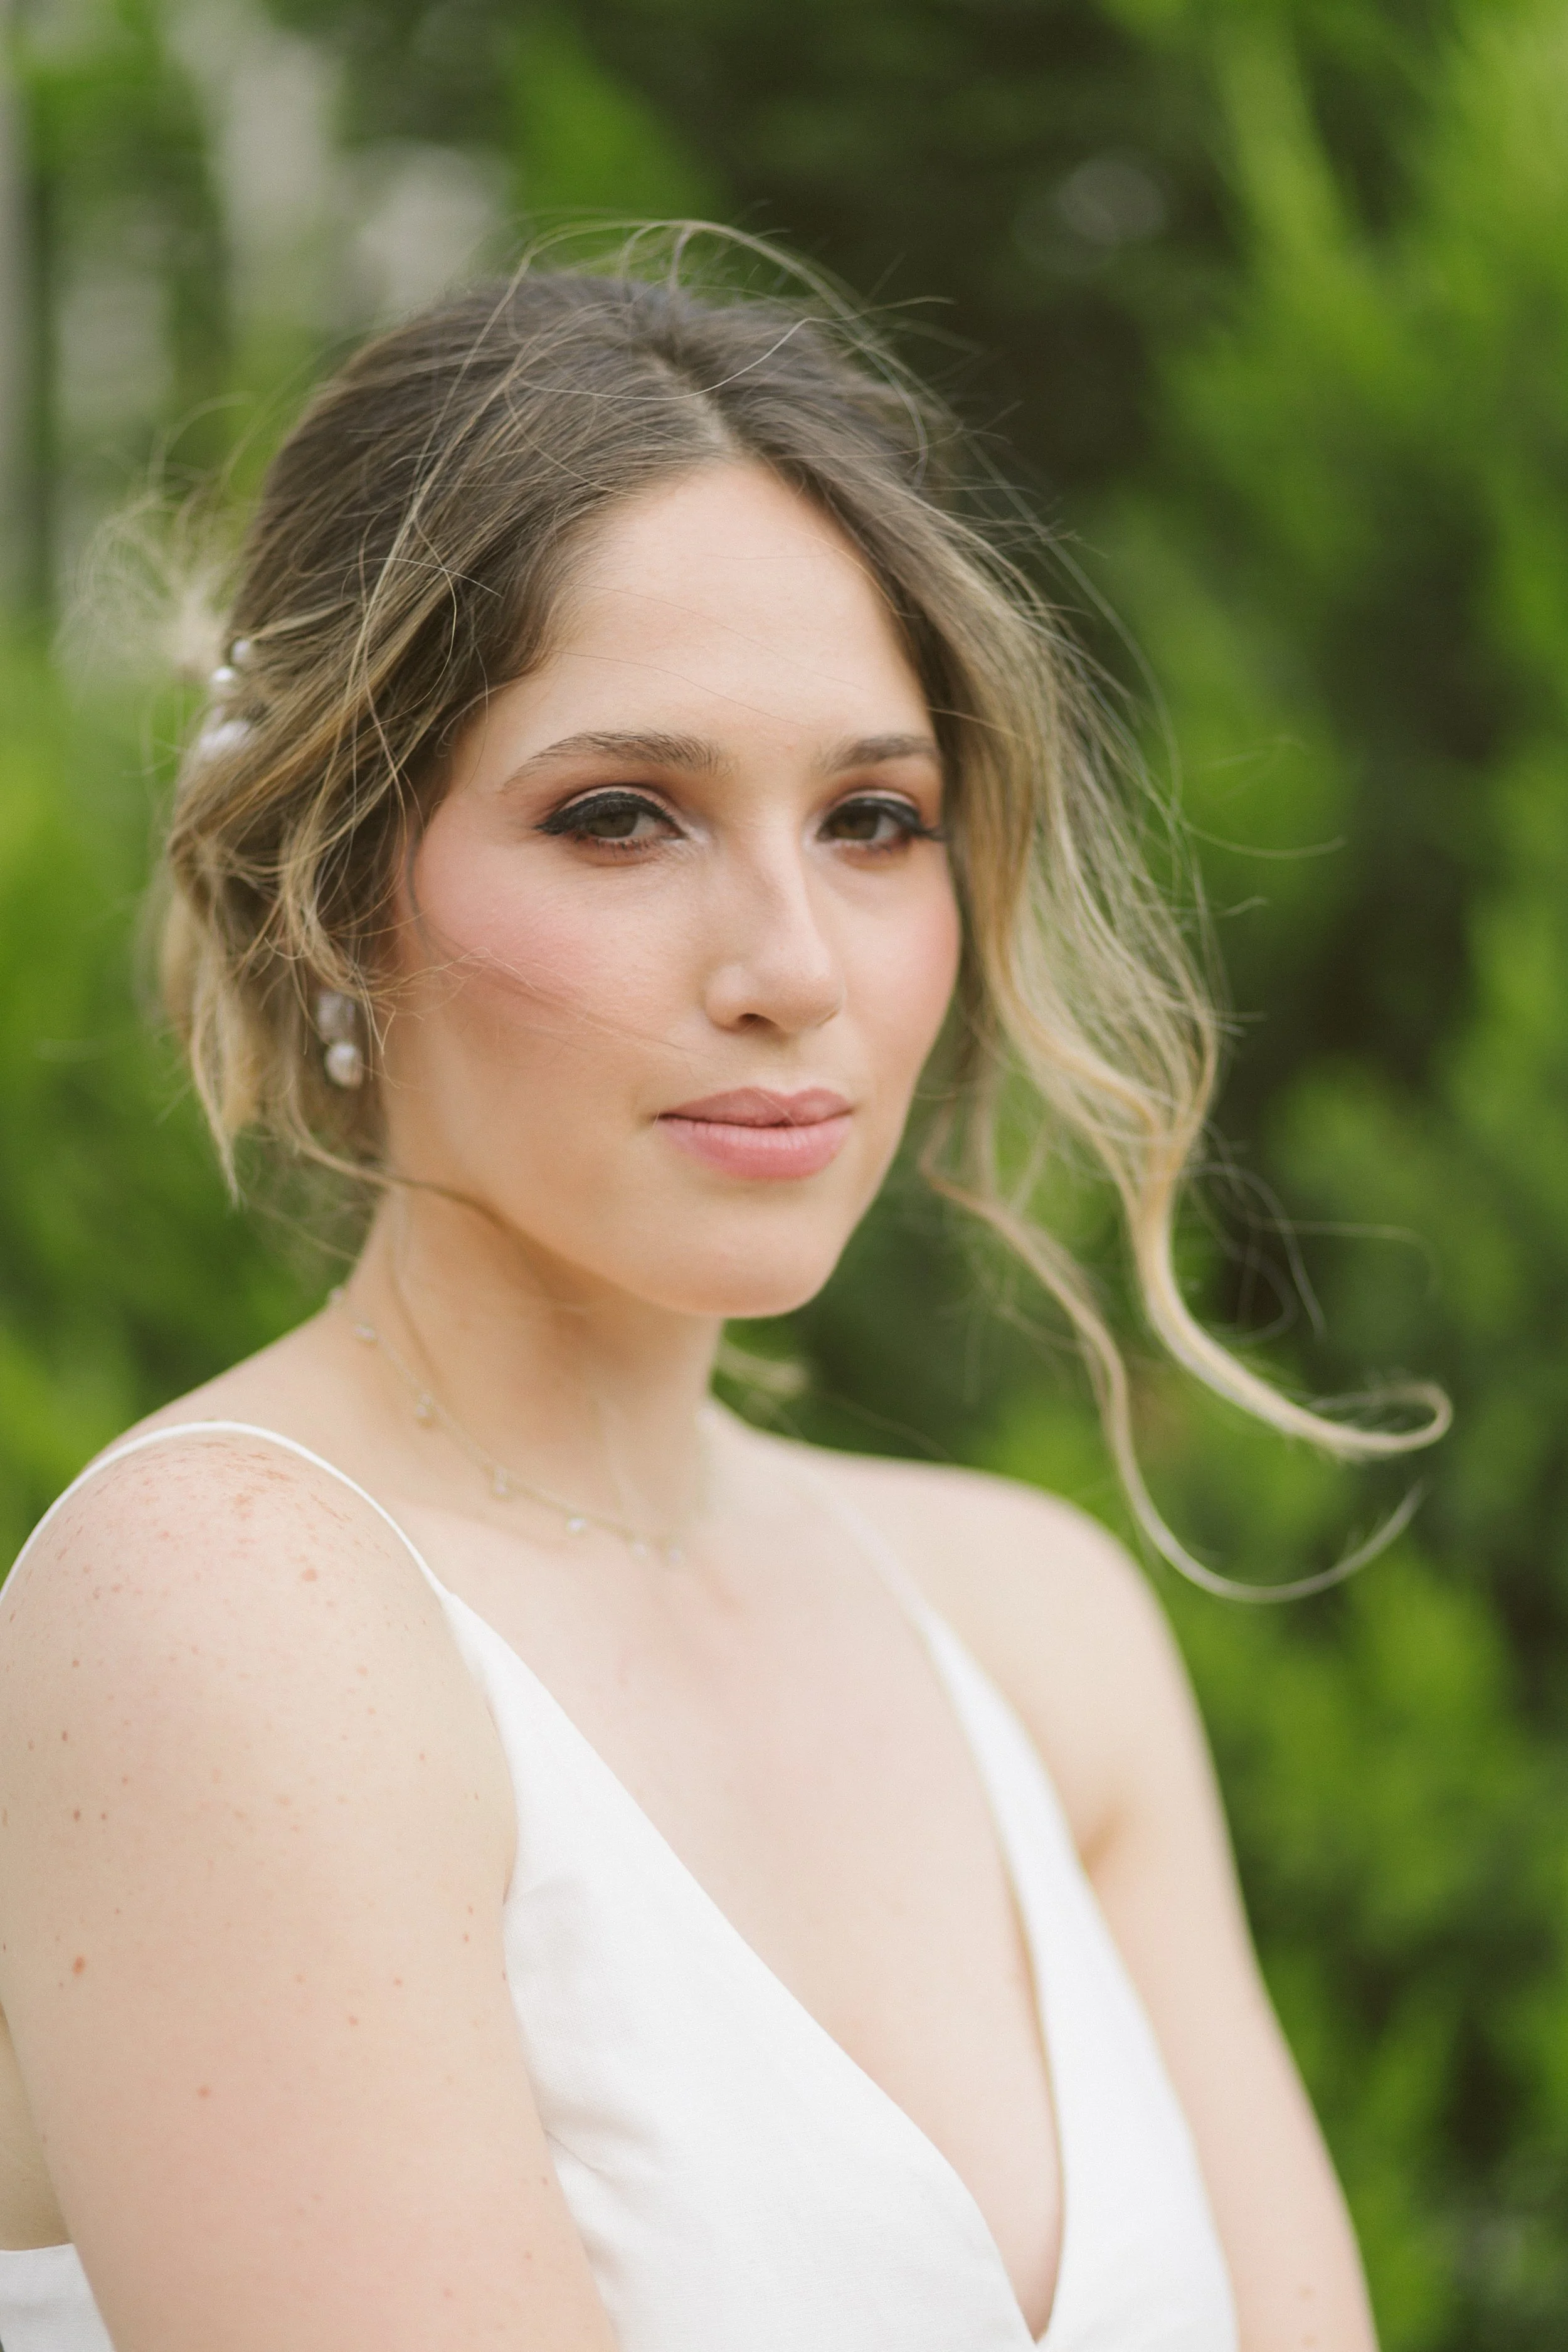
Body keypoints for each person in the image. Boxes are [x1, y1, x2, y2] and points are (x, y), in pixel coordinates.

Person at [0, 235, 1443, 2352]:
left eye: (874, 817)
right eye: (620, 816)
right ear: (327, 889)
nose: (794, 963)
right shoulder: (229, 1604)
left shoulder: (1042, 1630)